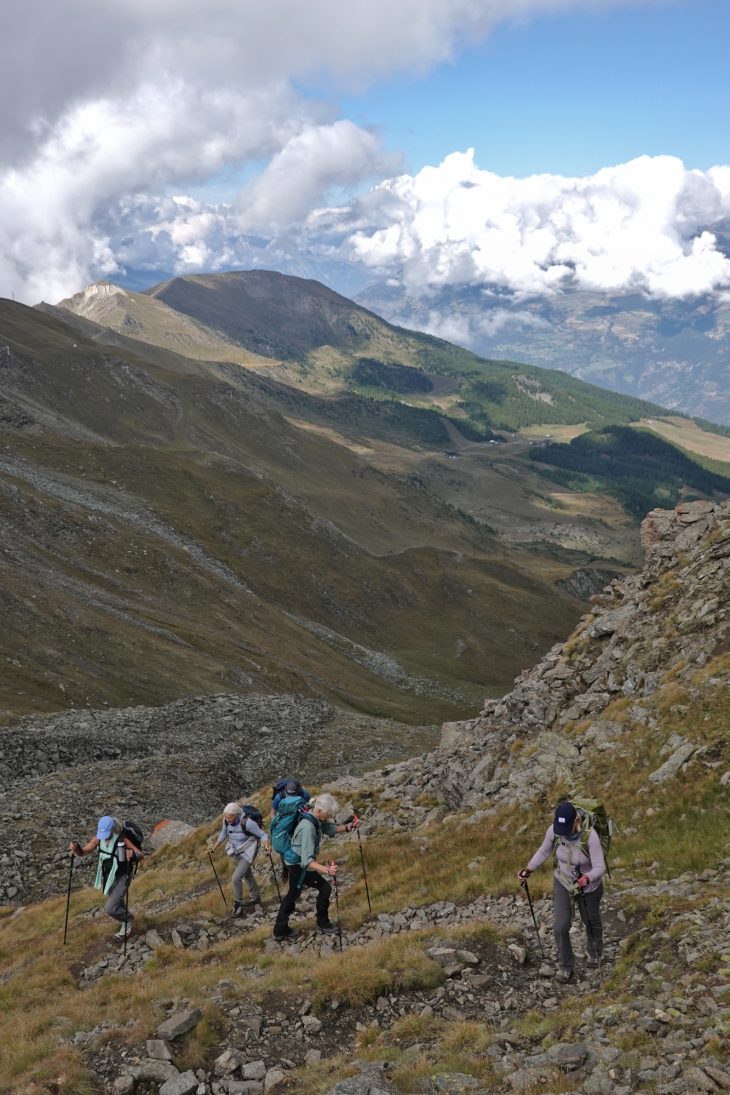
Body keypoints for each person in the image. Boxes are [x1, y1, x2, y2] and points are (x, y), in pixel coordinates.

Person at [518, 801, 605, 981]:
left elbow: (600, 867)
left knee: (590, 921)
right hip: (563, 882)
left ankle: (595, 952)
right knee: (560, 926)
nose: (563, 833)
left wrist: (587, 878)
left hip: (588, 887)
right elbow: (543, 852)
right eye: (560, 828)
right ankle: (566, 967)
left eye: (566, 828)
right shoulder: (554, 831)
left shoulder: (591, 837)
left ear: (576, 821)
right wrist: (528, 870)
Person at [272, 792, 357, 942]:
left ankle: (280, 930)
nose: (330, 816)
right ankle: (322, 924)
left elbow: (328, 828)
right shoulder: (308, 827)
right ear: (320, 811)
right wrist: (327, 870)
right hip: (298, 864)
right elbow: (307, 861)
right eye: (329, 813)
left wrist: (348, 828)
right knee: (325, 888)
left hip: (293, 861)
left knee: (293, 894)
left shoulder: (311, 813)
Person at [68, 816, 144, 940]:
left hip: (122, 876)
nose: (104, 836)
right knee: (117, 902)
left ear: (113, 829)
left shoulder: (122, 840)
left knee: (111, 908)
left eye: (106, 833)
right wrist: (76, 848)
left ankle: (128, 918)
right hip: (108, 876)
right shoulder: (98, 839)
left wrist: (133, 854)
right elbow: (84, 852)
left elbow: (140, 855)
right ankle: (126, 925)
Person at [210, 802, 269, 917]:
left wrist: (267, 846)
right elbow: (224, 833)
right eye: (226, 817)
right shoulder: (226, 820)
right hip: (236, 850)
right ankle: (256, 897)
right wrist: (214, 847)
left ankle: (238, 906)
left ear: (237, 815)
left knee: (236, 878)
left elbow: (263, 835)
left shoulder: (248, 823)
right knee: (247, 875)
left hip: (248, 851)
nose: (227, 819)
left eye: (230, 817)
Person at [271, 778, 311, 882]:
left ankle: (299, 869)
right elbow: (273, 813)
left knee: (299, 845)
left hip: (298, 821)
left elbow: (306, 809)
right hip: (284, 823)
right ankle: (286, 868)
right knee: (284, 847)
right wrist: (277, 827)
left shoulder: (305, 795)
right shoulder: (279, 797)